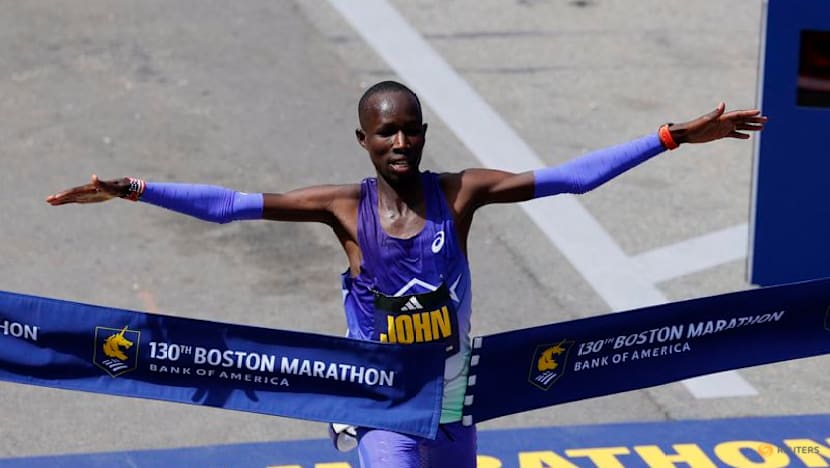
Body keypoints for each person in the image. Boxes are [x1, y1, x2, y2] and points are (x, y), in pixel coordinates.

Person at [46, 80, 766, 468]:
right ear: (363, 139)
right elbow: (230, 206)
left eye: (411, 127)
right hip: (383, 414)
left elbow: (570, 181)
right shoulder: (340, 208)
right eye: (385, 131)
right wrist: (134, 188)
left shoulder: (461, 194)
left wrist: (670, 137)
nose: (400, 141)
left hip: (454, 409)